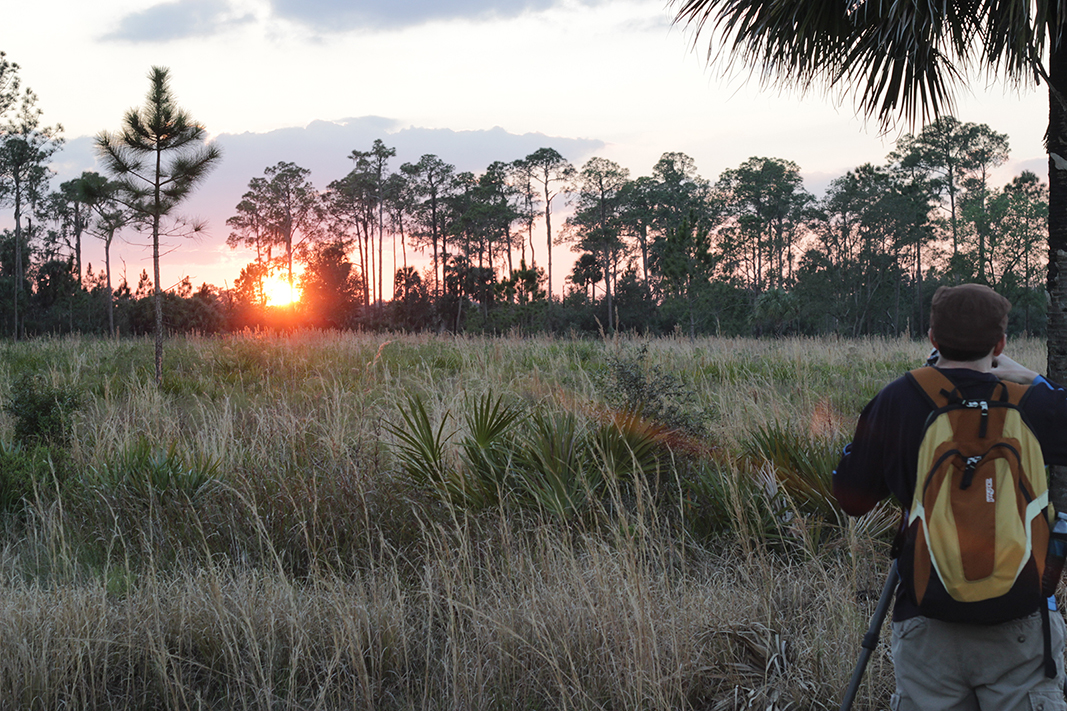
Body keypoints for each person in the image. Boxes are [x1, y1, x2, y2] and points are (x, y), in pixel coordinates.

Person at [833, 283, 1067, 711]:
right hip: (1020, 623)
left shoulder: (898, 398)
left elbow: (853, 499)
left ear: (932, 338)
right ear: (1000, 344)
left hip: (927, 621)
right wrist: (1034, 380)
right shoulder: (1032, 403)